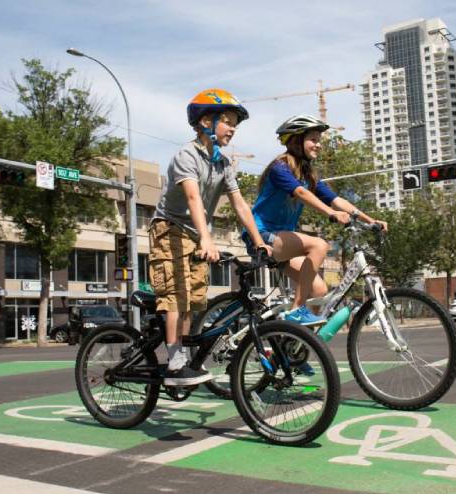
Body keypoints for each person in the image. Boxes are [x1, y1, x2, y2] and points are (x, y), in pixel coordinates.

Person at [150, 88, 271, 386]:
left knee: (195, 297)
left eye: (235, 124)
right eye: (228, 121)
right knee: (177, 291)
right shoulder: (186, 156)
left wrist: (259, 241)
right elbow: (192, 198)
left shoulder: (222, 164)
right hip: (170, 227)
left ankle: (187, 356)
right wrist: (207, 238)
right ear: (206, 121)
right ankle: (175, 360)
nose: (232, 129)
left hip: (195, 231)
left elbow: (240, 204)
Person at [243, 114, 387, 326]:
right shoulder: (279, 168)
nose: (318, 145)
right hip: (262, 236)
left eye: (319, 140)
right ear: (295, 140)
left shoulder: (308, 174)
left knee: (319, 290)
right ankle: (296, 310)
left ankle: (293, 347)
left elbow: (337, 200)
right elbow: (300, 193)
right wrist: (330, 214)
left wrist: (371, 220)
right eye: (313, 139)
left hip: (283, 241)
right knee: (319, 245)